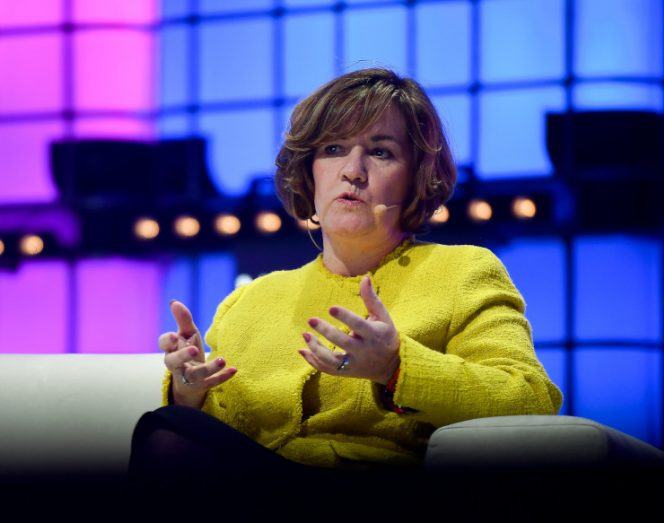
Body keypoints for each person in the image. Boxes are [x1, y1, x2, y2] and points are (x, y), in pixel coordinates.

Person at [128, 68, 563, 498]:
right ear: (309, 172)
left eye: (380, 152)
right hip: (257, 491)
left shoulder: (463, 273)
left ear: (415, 178)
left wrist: (395, 368)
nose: (353, 171)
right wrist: (190, 392)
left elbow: (528, 400)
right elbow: (222, 443)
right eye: (333, 149)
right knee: (170, 429)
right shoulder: (249, 302)